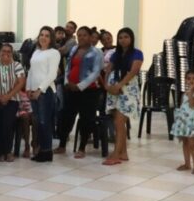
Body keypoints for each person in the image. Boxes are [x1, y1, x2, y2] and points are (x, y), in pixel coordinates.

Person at [55, 27, 103, 159]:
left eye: (85, 35)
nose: (82, 38)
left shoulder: (96, 52)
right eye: (79, 35)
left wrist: (80, 86)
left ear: (90, 37)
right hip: (71, 89)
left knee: (86, 119)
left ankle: (82, 148)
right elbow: (68, 67)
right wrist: (66, 82)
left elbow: (96, 72)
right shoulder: (74, 50)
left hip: (89, 91)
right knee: (66, 117)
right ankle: (62, 145)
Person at [103, 27, 143, 166]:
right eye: (120, 37)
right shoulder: (116, 54)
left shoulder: (137, 53)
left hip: (128, 89)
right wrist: (107, 86)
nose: (123, 40)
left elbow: (133, 72)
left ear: (131, 38)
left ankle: (115, 154)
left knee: (119, 122)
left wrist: (119, 86)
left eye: (126, 37)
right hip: (113, 88)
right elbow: (108, 69)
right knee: (119, 123)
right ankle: (123, 153)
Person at [0, 44, 26, 162]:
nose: (5, 53)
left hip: (12, 100)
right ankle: (1, 152)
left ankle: (8, 151)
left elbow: (20, 82)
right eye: (3, 51)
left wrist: (7, 96)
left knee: (8, 125)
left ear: (12, 53)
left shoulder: (17, 65)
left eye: (8, 51)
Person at [26, 26, 60, 162]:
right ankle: (42, 150)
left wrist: (40, 89)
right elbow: (31, 72)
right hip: (34, 91)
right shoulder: (36, 52)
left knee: (44, 122)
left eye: (47, 35)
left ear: (51, 38)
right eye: (42, 35)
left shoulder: (54, 53)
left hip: (45, 92)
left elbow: (52, 74)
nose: (43, 38)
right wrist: (28, 88)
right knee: (38, 123)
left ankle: (47, 152)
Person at [171, 68, 194, 175]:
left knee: (192, 144)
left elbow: (192, 104)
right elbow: (183, 107)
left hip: (192, 122)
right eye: (188, 78)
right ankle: (187, 164)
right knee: (185, 143)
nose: (191, 81)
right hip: (184, 121)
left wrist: (190, 93)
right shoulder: (184, 93)